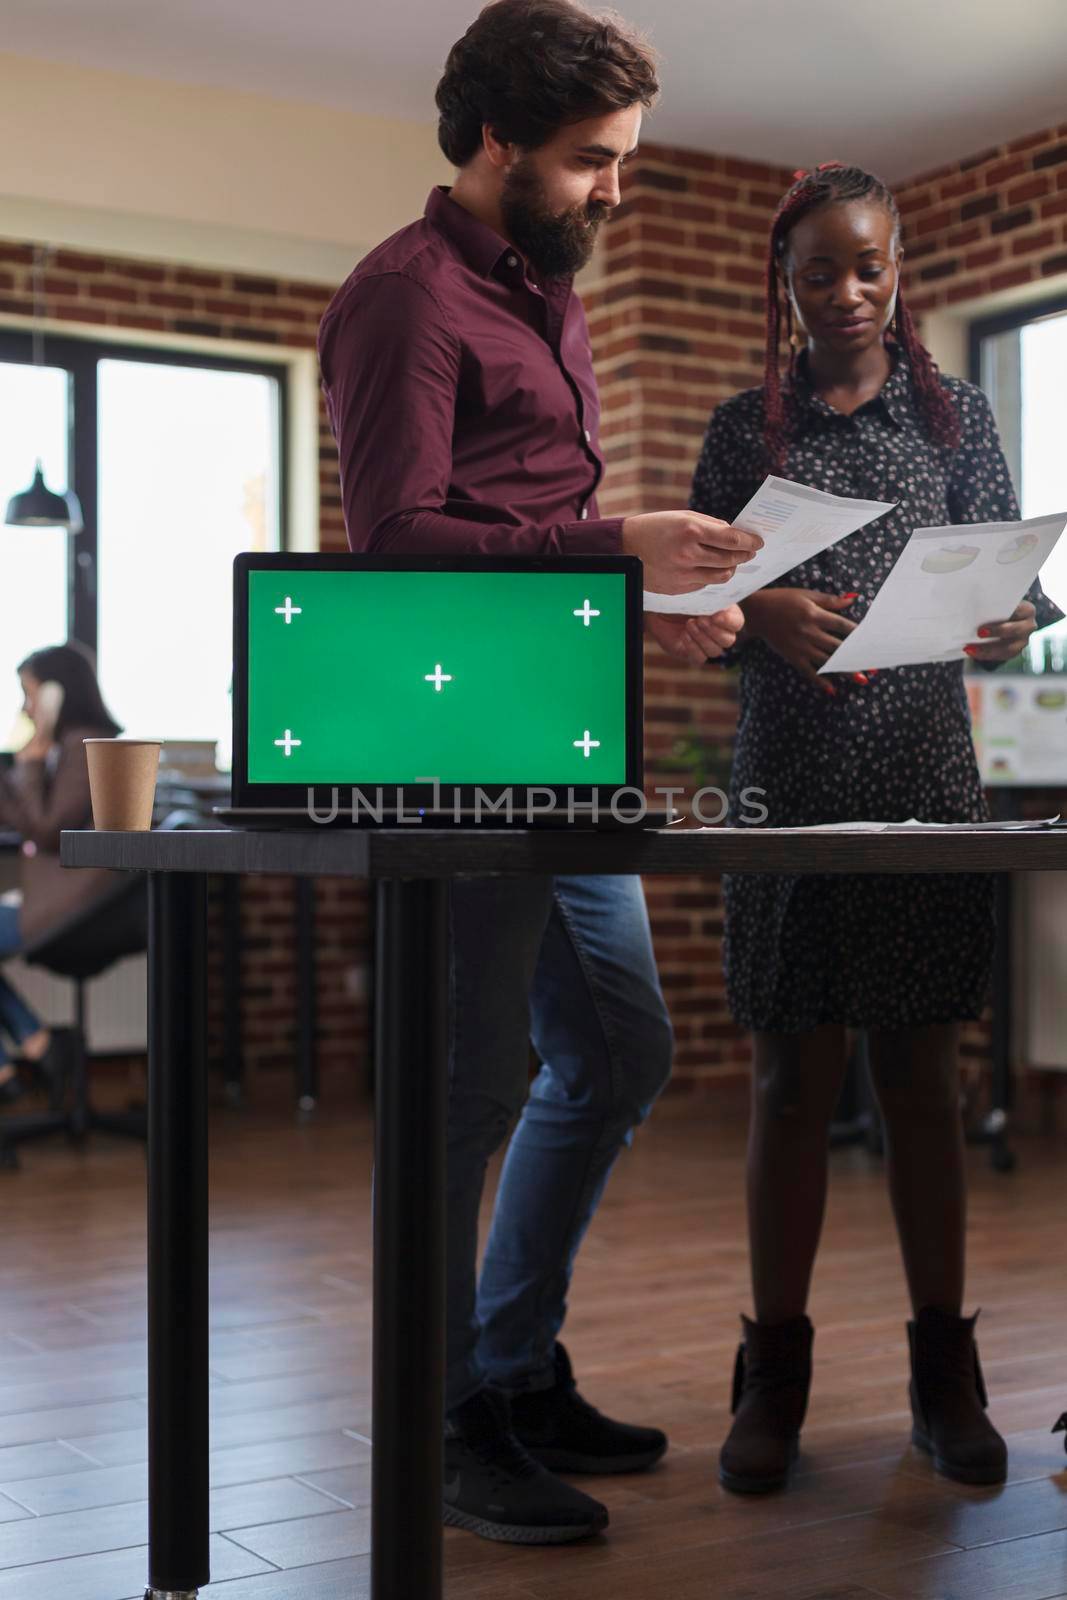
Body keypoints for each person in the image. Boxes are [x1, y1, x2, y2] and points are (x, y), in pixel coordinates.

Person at [318, 0, 758, 1545]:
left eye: (622, 162)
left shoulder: (549, 293)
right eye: (590, 162)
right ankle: (450, 1421)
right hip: (453, 747)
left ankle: (508, 1362)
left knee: (620, 1052)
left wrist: (654, 596)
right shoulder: (403, 300)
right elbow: (396, 548)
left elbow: (541, 538)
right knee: (467, 1094)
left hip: (566, 737)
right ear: (498, 144)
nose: (612, 192)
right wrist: (613, 546)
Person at [683, 161, 1064, 1496]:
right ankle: (769, 1375)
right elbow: (699, 609)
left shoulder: (958, 421)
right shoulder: (743, 431)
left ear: (896, 272)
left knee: (918, 1082)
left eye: (866, 268)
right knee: (790, 1082)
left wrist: (1019, 615)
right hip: (786, 779)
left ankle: (940, 1375)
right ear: (780, 287)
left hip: (921, 772)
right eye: (815, 273)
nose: (843, 294)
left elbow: (1009, 586)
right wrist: (755, 618)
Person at [0, 643, 122, 1108]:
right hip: (53, 892)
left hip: (76, 903)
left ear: (56, 694)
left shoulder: (87, 746)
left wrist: (30, 764)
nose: (25, 707)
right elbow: (26, 819)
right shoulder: (62, 748)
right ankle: (39, 1048)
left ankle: (26, 1058)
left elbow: (49, 829)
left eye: (30, 695)